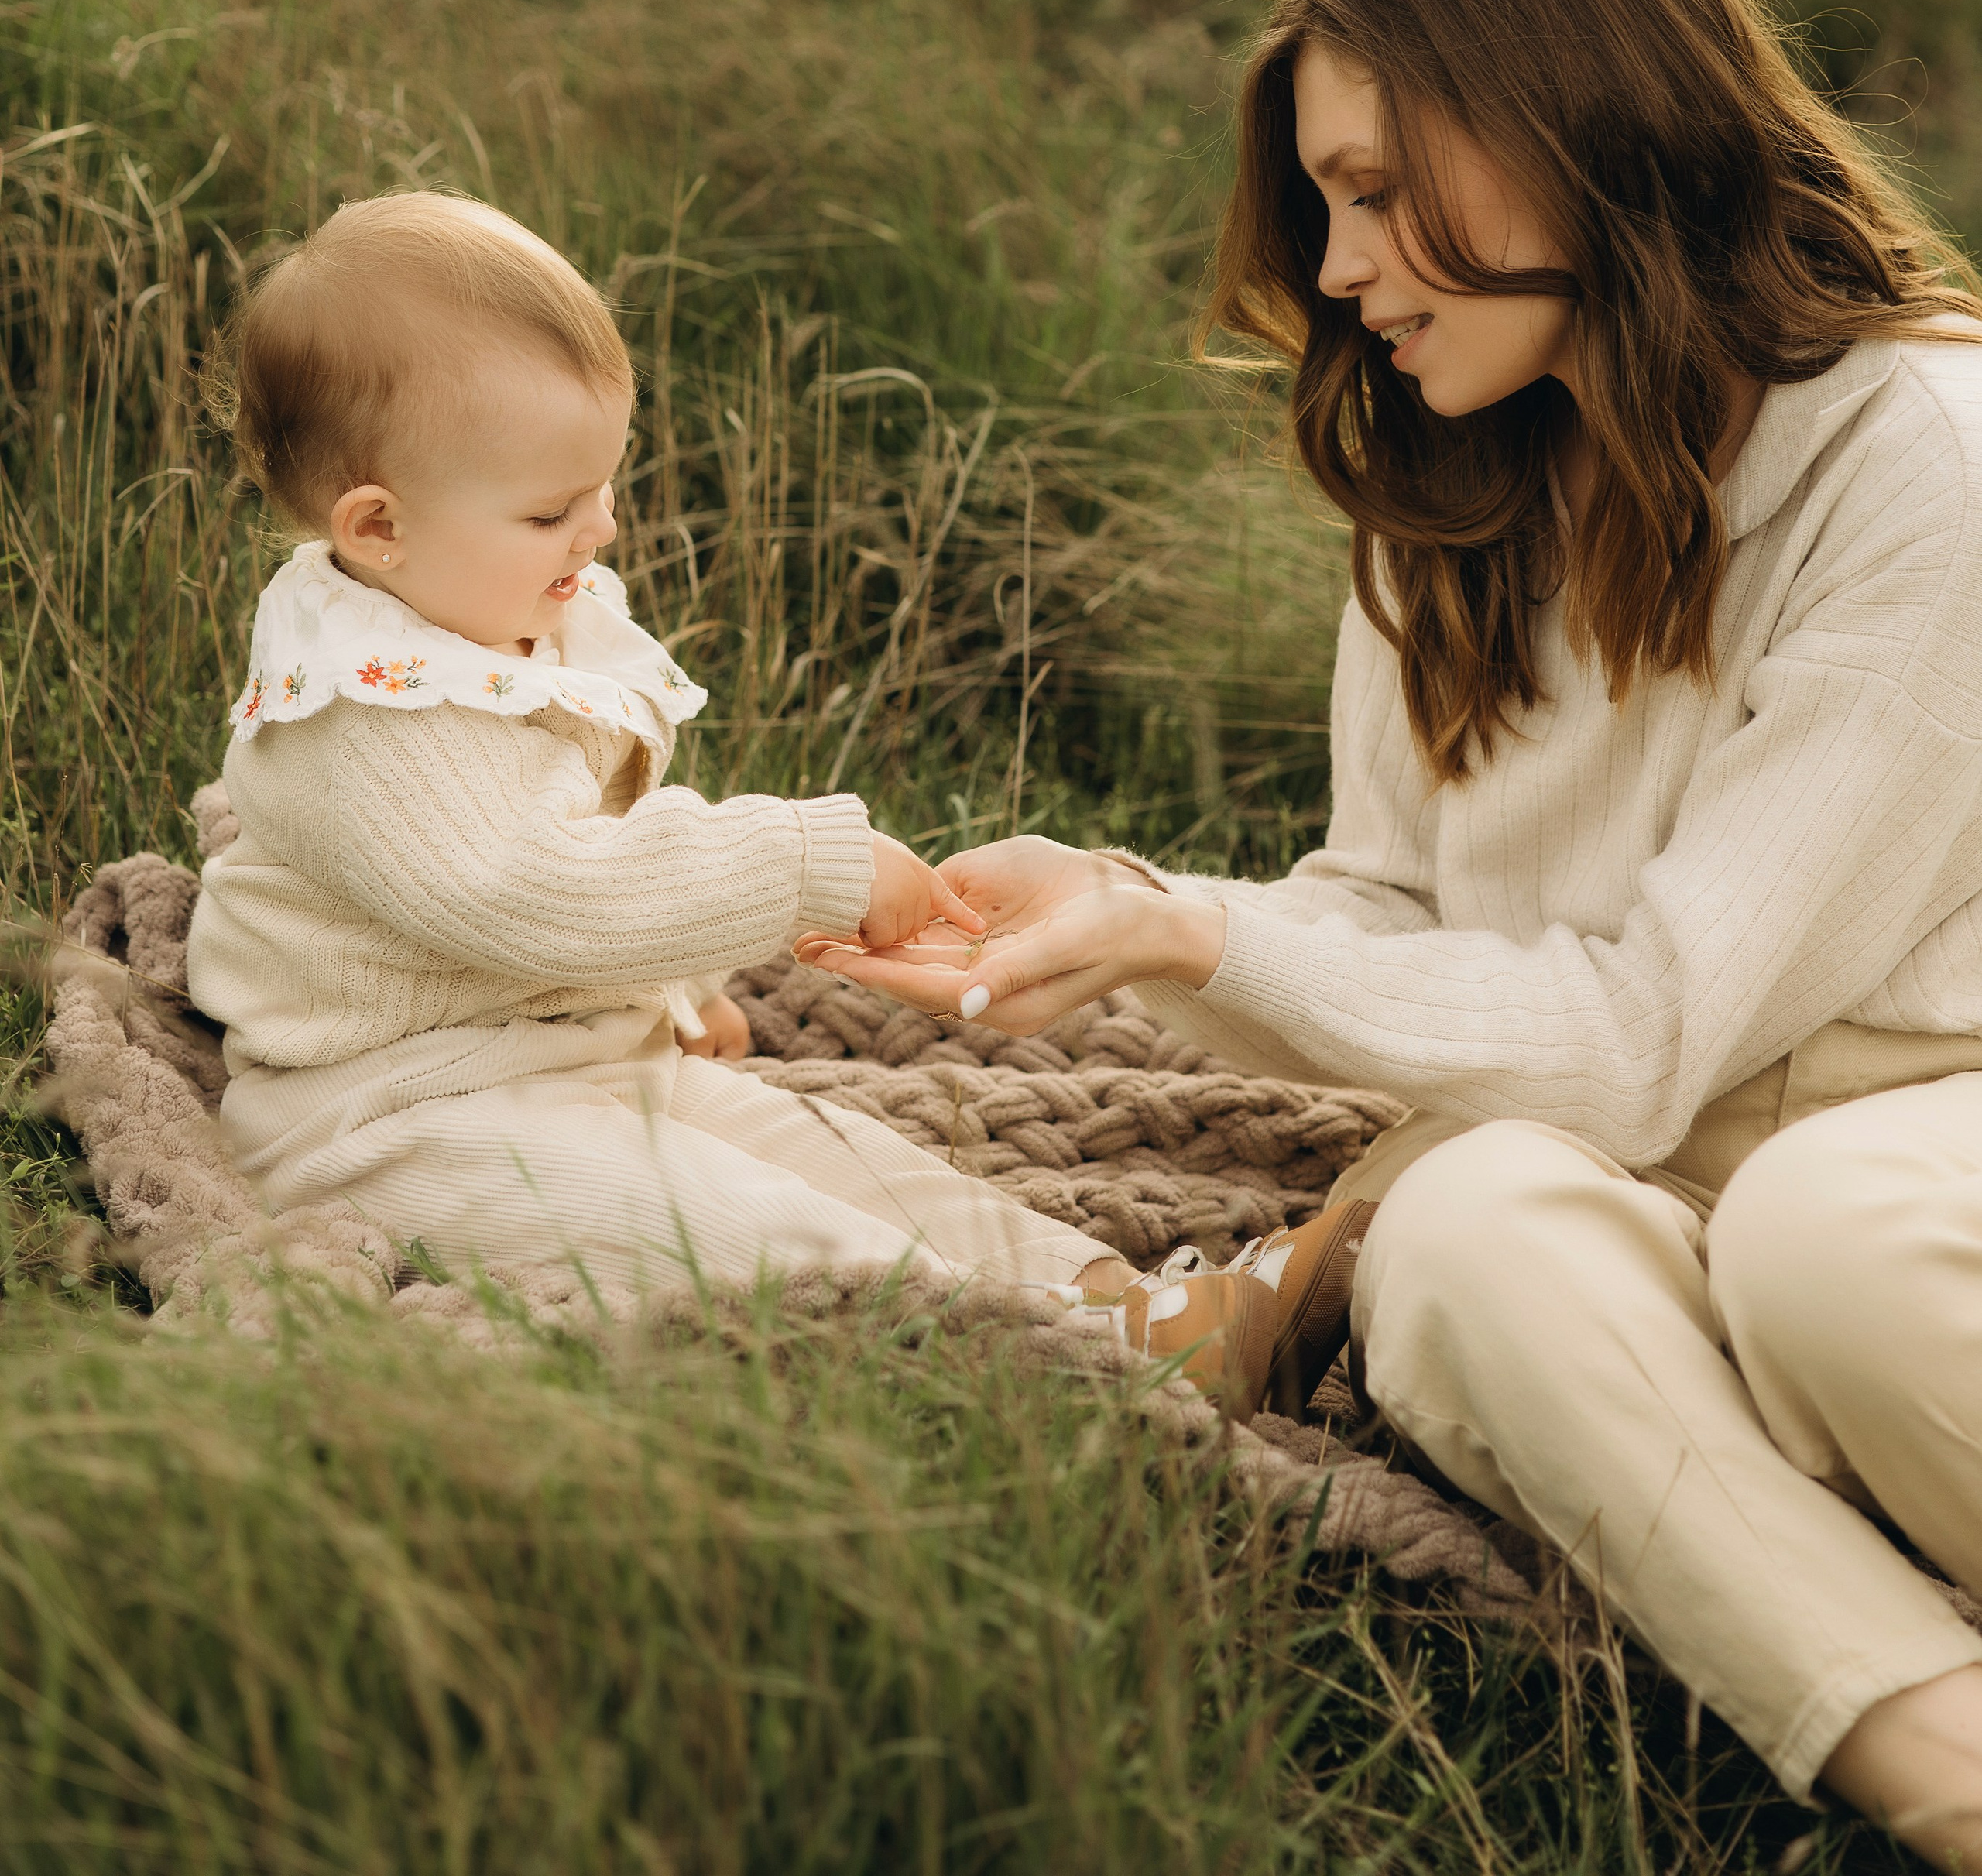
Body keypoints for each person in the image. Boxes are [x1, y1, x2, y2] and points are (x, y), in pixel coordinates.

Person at [809, 0, 1982, 1863]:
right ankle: (1943, 1773)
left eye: (1373, 192)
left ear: (1567, 132)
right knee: (1454, 1241)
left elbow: (1648, 1032)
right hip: (1660, 1158)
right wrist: (1115, 918)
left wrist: (1188, 938)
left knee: (1823, 1242)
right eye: (1323, 205)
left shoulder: (1924, 458)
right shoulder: (1452, 484)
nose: (1340, 270)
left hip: (1920, 1139)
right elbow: (1384, 916)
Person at [187, 190, 1343, 1408]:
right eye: (551, 511)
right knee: (725, 1224)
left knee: (835, 1157)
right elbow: (529, 892)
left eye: (603, 485)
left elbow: (589, 851)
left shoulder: (480, 603)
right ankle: (1064, 1359)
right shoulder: (364, 719)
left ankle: (1117, 1297)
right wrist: (800, 862)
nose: (601, 527)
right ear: (379, 527)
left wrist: (670, 981)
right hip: (392, 1125)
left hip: (558, 1058)